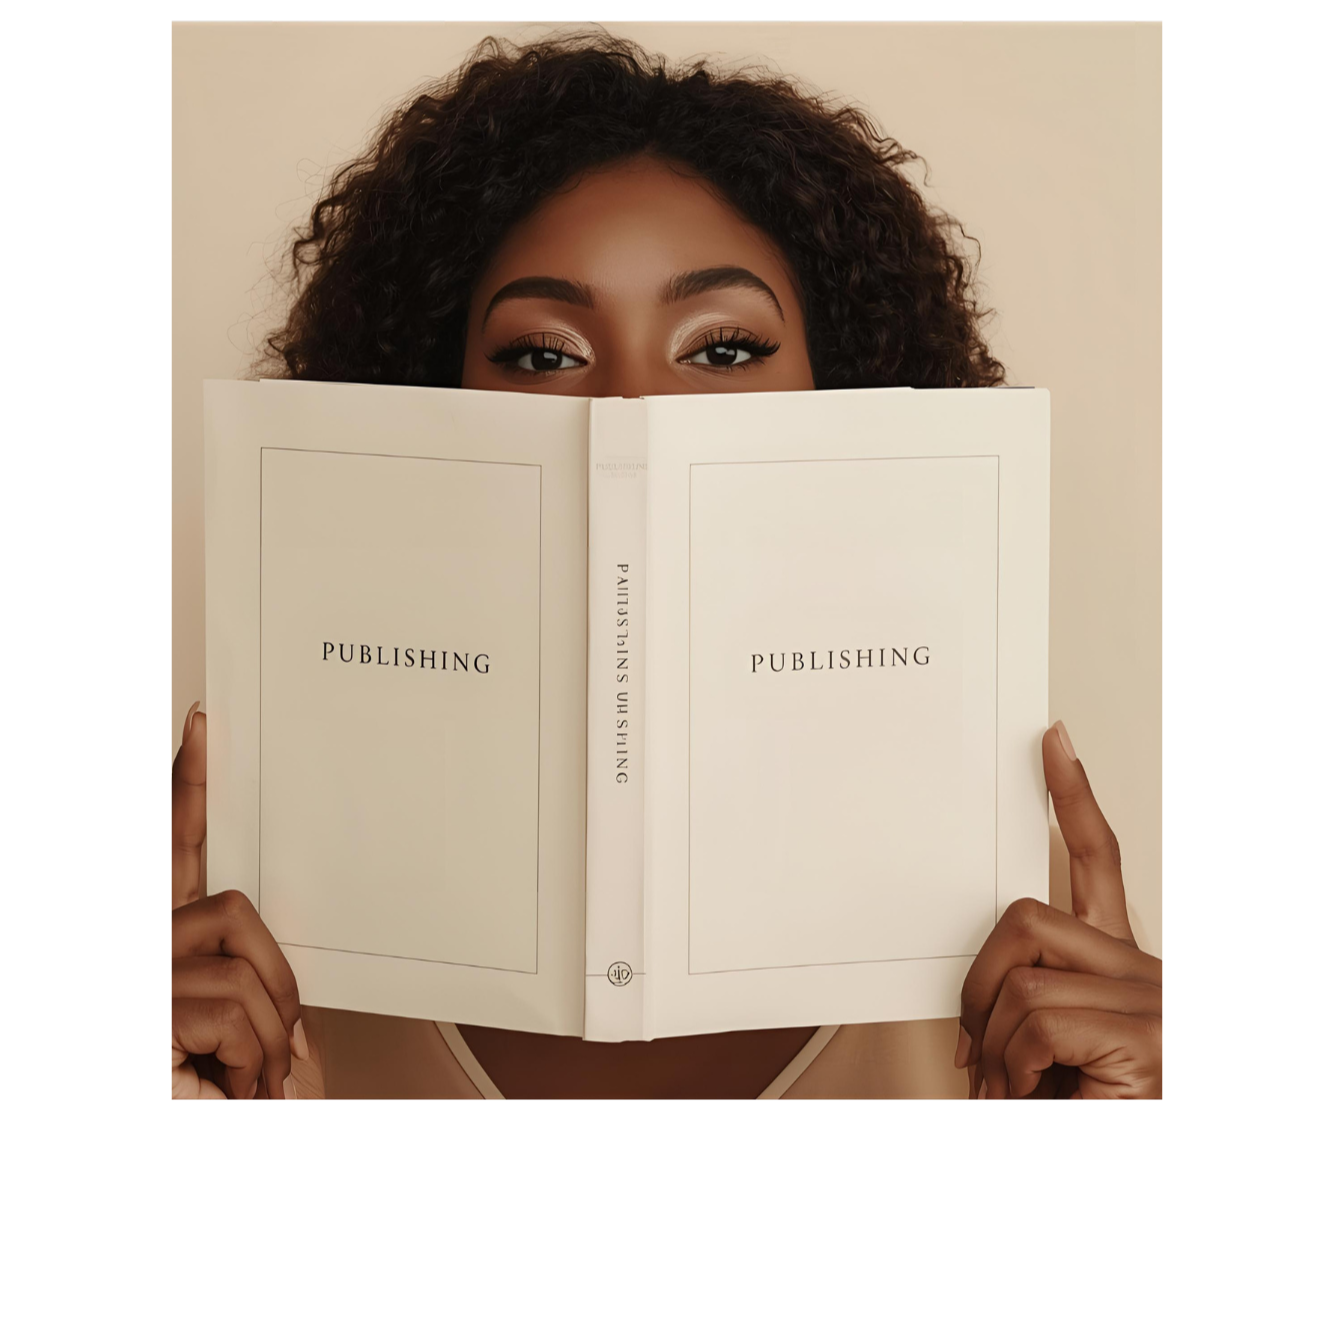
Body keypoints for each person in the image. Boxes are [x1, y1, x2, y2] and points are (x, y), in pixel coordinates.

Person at [170, 32, 1166, 1102]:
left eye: (724, 349)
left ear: (845, 391)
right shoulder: (266, 897)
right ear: (427, 396)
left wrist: (1201, 1076)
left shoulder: (1014, 899)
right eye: (542, 354)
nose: (629, 413)